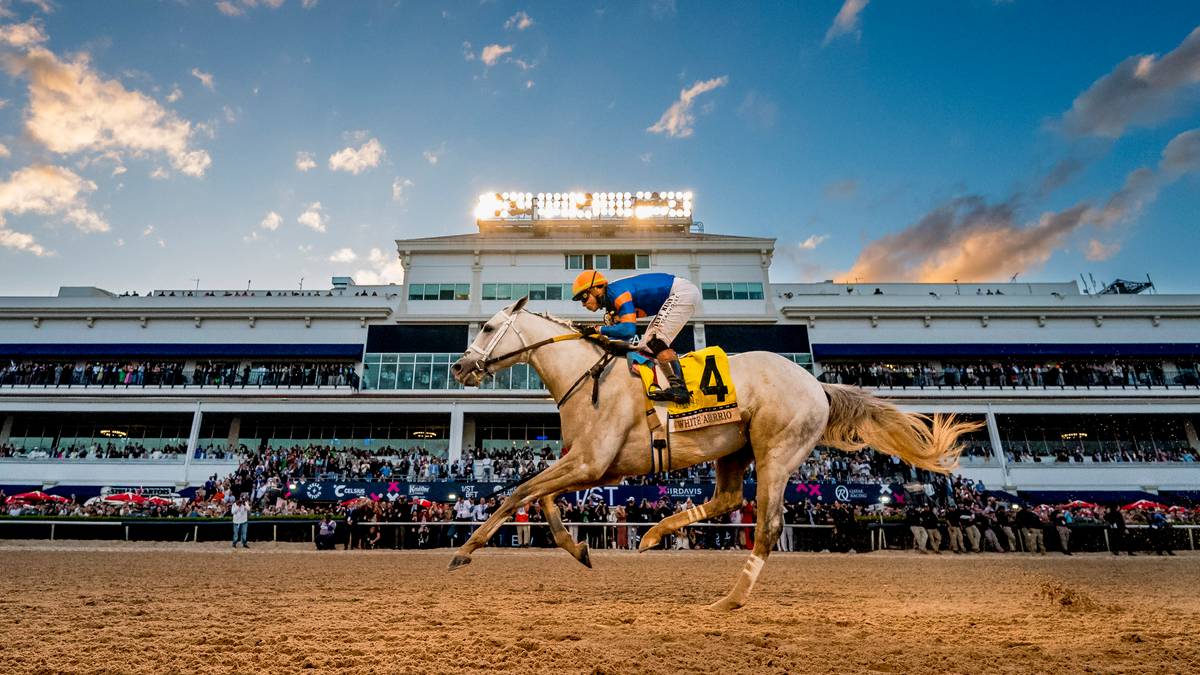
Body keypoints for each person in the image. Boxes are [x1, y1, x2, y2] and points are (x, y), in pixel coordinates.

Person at [572, 270, 701, 404]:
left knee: (654, 341)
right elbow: (623, 336)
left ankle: (680, 388)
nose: (583, 303)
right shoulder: (612, 297)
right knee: (646, 349)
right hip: (679, 291)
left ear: (596, 289)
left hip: (682, 292)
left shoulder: (617, 294)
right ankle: (671, 386)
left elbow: (628, 331)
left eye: (584, 297)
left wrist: (597, 329)